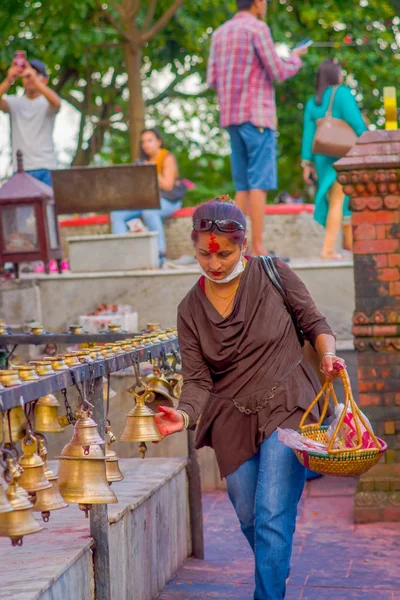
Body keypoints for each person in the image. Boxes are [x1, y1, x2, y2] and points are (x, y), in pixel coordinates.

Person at [154, 196, 346, 600]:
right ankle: (274, 564)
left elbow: (314, 322)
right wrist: (184, 417)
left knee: (272, 514)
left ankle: (268, 591)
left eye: (224, 253)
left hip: (288, 403)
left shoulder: (273, 273)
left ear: (243, 245)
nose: (215, 263)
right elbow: (197, 380)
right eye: (205, 254)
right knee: (250, 518)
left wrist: (328, 355)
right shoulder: (189, 308)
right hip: (230, 418)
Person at [207, 0, 308, 256]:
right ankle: (259, 248)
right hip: (257, 114)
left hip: (231, 116)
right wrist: (294, 59)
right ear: (257, 3)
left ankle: (236, 247)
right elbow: (278, 71)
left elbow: (211, 80)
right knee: (259, 184)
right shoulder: (257, 29)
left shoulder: (219, 33)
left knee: (242, 185)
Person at [301, 58, 367, 260]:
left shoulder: (314, 102)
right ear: (335, 74)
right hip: (341, 155)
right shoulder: (342, 94)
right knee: (339, 199)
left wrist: (307, 164)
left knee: (337, 199)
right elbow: (357, 123)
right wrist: (368, 143)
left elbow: (308, 135)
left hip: (322, 158)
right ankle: (328, 249)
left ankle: (349, 245)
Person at [110, 128, 181, 265]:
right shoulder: (141, 161)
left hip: (168, 200)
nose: (146, 145)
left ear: (159, 142)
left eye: (150, 140)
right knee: (117, 213)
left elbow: (167, 185)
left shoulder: (167, 157)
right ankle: (123, 254)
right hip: (146, 200)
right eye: (143, 142)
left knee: (150, 212)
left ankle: (160, 254)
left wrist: (150, 170)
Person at [0, 56, 61, 186]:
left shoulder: (47, 103)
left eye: (36, 73)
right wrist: (9, 80)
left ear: (45, 80)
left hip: (46, 167)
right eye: (27, 74)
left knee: (48, 206)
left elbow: (57, 103)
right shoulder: (15, 103)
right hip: (21, 170)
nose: (30, 77)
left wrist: (35, 80)